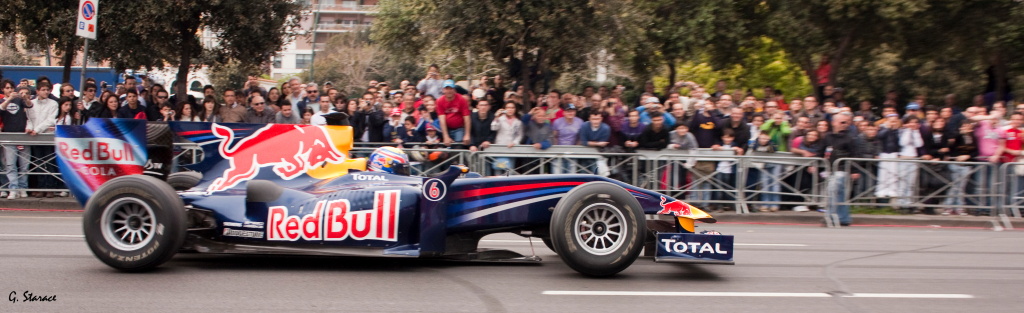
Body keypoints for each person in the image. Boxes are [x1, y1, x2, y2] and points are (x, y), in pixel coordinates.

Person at [820, 112, 858, 225]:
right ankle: (844, 218)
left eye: (846, 123)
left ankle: (831, 217)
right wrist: (813, 163)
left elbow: (855, 155)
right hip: (830, 169)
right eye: (842, 122)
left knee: (833, 191)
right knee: (839, 194)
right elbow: (820, 151)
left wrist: (855, 171)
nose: (844, 125)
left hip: (843, 169)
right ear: (834, 123)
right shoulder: (827, 136)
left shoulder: (850, 137)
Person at [1, 84, 32, 199]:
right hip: (9, 136)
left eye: (11, 88)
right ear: (3, 90)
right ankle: (13, 188)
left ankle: (23, 188)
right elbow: (1, 108)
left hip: (23, 136)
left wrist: (25, 98)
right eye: (7, 88)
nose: (10, 90)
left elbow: (30, 105)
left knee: (24, 165)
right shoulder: (2, 101)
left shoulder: (20, 100)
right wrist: (9, 99)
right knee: (10, 165)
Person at [751, 133, 780, 212]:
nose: (763, 141)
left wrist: (769, 143)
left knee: (774, 184)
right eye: (761, 138)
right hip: (763, 166)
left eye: (765, 139)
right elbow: (752, 148)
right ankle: (765, 204)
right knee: (765, 185)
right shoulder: (755, 144)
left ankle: (774, 204)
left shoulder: (772, 144)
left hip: (774, 165)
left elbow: (775, 149)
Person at [437, 80, 471, 147]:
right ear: (443, 90)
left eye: (451, 88)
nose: (449, 91)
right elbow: (442, 120)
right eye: (447, 88)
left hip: (459, 128)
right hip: (446, 128)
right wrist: (445, 136)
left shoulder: (462, 99)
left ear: (454, 90)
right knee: (445, 147)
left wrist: (467, 134)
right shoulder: (439, 101)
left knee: (458, 146)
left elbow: (467, 118)